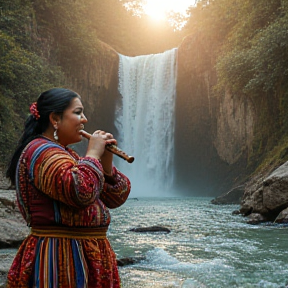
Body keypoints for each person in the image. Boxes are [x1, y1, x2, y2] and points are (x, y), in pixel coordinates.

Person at [6, 88, 131, 288]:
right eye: (78, 112)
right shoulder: (40, 152)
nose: (85, 119)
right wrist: (92, 156)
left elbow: (116, 198)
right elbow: (79, 192)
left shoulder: (67, 155)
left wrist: (106, 164)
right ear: (55, 119)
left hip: (84, 253)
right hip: (59, 257)